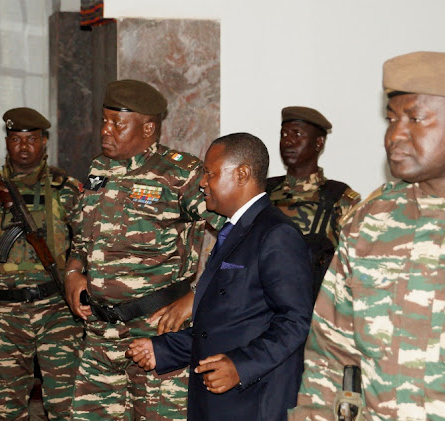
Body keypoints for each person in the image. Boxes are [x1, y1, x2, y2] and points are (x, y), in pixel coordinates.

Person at [289, 51, 445, 420]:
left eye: (415, 118)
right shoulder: (373, 219)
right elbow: (330, 357)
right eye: (392, 118)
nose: (394, 135)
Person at [64, 79, 223, 420]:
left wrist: (197, 297)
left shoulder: (182, 174)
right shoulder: (98, 170)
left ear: (148, 128)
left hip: (157, 333)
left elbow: (239, 236)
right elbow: (82, 234)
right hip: (101, 335)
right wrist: (74, 270)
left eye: (116, 124)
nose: (105, 131)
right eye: (104, 121)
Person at [127, 132, 313, 420]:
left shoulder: (276, 234)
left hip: (252, 402)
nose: (202, 182)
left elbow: (295, 321)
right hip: (216, 402)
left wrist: (241, 366)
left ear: (241, 174)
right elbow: (224, 325)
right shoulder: (234, 231)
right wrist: (163, 350)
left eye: (210, 173)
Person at [0, 107, 84, 420]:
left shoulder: (66, 188)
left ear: (44, 142)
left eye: (31, 139)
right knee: (4, 406)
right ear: (7, 142)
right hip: (3, 314)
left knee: (67, 404)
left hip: (55, 308)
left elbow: (88, 241)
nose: (23, 147)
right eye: (16, 139)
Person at [267, 106, 360, 293]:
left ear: (319, 143)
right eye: (283, 134)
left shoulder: (340, 198)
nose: (288, 142)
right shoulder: (262, 192)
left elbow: (356, 264)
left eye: (297, 134)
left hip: (315, 310)